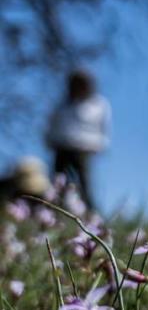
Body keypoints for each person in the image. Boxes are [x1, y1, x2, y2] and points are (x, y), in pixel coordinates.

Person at [44, 69, 111, 209]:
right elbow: (52, 124)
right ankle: (54, 212)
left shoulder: (99, 104)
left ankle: (90, 212)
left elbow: (104, 127)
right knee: (58, 182)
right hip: (62, 147)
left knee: (84, 183)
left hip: (84, 148)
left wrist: (101, 145)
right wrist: (49, 140)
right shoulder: (63, 104)